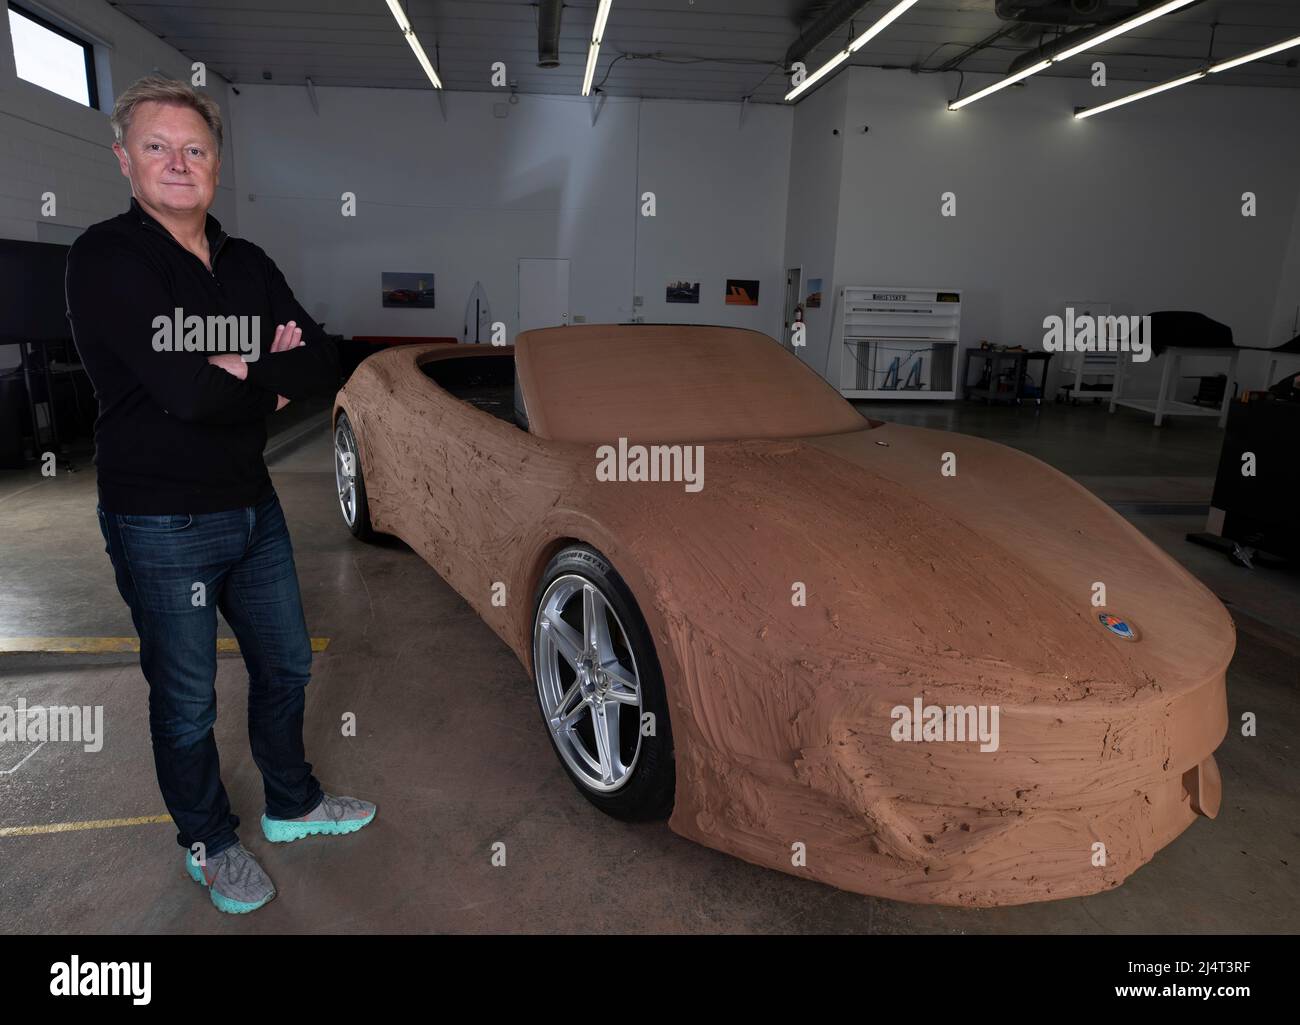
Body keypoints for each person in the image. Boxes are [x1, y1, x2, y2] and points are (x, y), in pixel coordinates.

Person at [65, 75, 375, 915]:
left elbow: (319, 358)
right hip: (159, 515)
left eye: (194, 148)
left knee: (285, 663)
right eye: (158, 146)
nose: (177, 161)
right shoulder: (107, 257)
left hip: (252, 502)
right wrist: (252, 371)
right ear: (125, 158)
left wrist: (244, 366)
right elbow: (184, 393)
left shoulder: (247, 262)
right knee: (187, 695)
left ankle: (292, 803)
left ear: (216, 164)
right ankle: (208, 838)